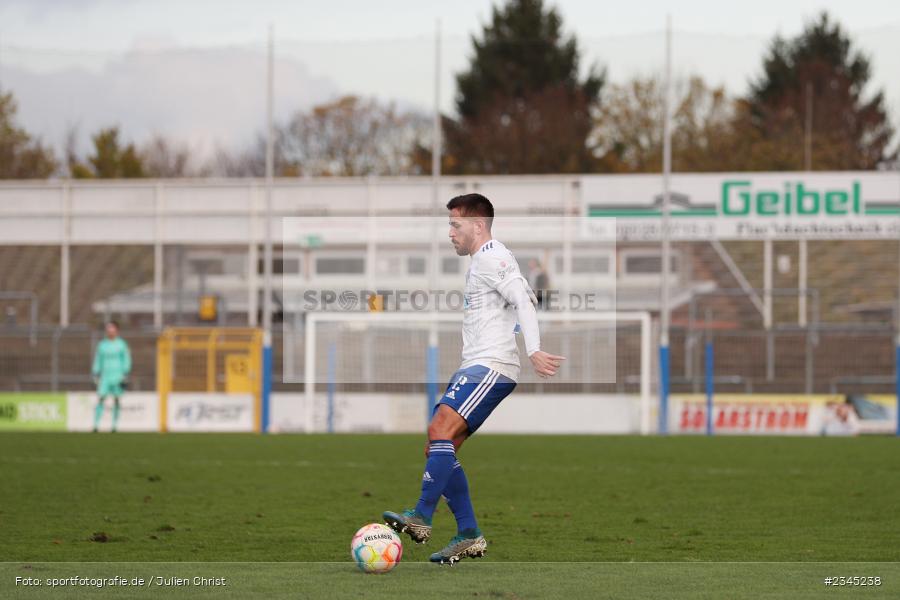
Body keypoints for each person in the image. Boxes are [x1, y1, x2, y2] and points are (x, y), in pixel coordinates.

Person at [383, 193, 565, 565]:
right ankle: (468, 534)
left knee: (438, 428)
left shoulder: (492, 256)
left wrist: (533, 349)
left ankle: (421, 516)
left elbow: (524, 299)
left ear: (478, 225)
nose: (450, 232)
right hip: (478, 366)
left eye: (456, 225)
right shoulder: (483, 260)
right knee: (438, 446)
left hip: (492, 366)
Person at [91, 321, 131, 433]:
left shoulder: (121, 344)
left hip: (118, 376)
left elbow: (126, 359)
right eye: (108, 329)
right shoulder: (102, 345)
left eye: (112, 329)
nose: (110, 331)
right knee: (101, 398)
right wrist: (95, 372)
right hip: (105, 376)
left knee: (116, 399)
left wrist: (125, 373)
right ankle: (96, 425)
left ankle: (114, 426)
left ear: (116, 331)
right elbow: (98, 359)